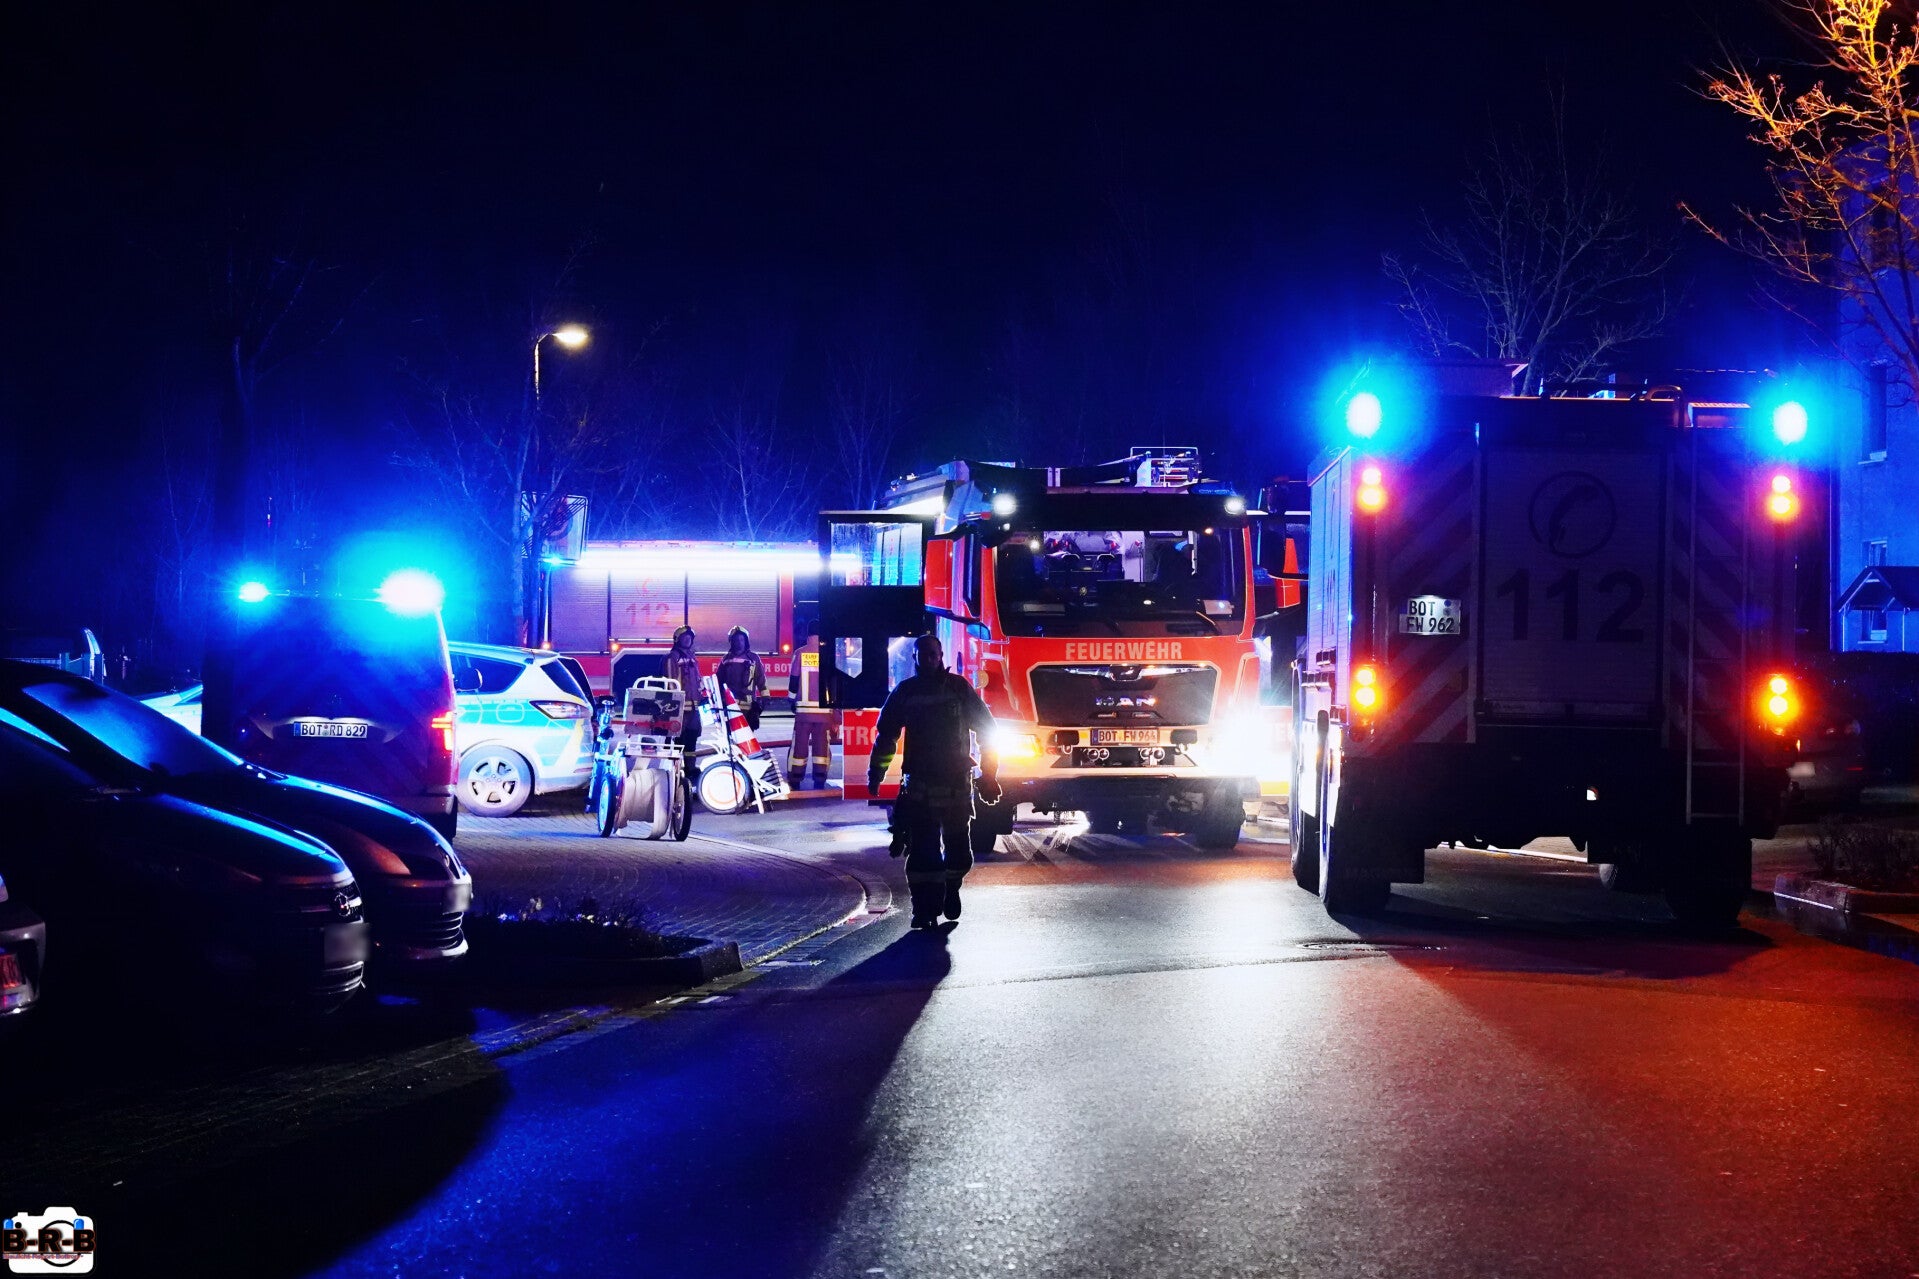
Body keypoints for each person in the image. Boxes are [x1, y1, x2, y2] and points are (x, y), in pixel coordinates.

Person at [868, 633, 1000, 929]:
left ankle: (951, 888)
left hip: (956, 785)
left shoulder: (958, 689)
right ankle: (923, 909)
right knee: (921, 852)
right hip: (919, 787)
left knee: (958, 851)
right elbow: (886, 737)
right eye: (923, 654)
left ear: (941, 657)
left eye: (933, 654)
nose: (929, 659)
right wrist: (875, 774)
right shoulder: (905, 692)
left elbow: (987, 730)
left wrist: (989, 774)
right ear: (914, 657)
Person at [786, 623, 837, 788]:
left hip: (803, 711)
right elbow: (835, 681)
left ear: (808, 634)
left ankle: (795, 779)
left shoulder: (800, 653)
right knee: (821, 746)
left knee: (799, 746)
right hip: (824, 711)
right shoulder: (829, 653)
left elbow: (794, 680)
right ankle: (819, 779)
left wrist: (791, 700)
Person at [663, 626, 707, 785]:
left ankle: (690, 769)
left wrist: (702, 696)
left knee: (691, 740)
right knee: (677, 741)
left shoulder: (692, 657)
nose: (688, 640)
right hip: (680, 709)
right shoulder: (672, 658)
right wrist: (674, 705)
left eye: (690, 637)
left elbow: (697, 679)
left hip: (694, 708)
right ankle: (674, 772)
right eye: (684, 637)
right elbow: (671, 683)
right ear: (677, 640)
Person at [717, 626, 768, 731]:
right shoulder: (726, 659)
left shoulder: (753, 658)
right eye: (736, 640)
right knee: (732, 737)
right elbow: (718, 681)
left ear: (746, 641)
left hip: (748, 708)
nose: (739, 642)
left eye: (741, 639)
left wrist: (765, 698)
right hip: (730, 707)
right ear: (731, 642)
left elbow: (761, 679)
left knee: (747, 737)